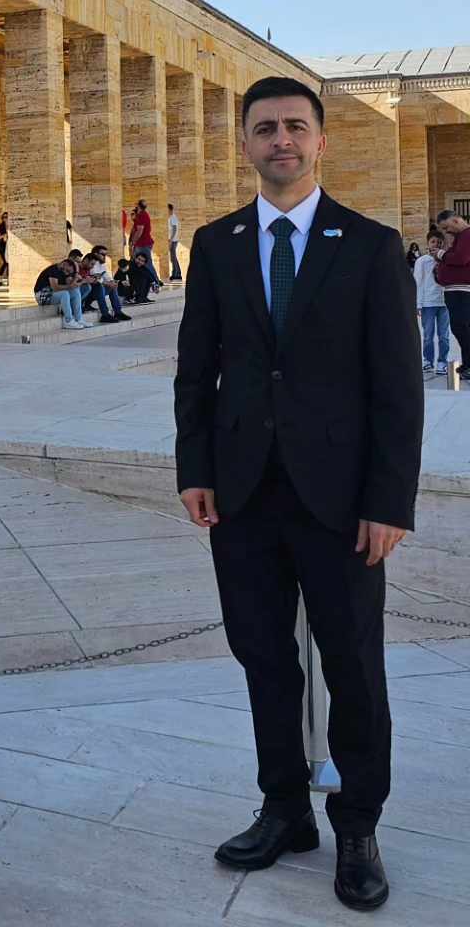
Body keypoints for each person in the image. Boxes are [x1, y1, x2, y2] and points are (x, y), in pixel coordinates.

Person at [175, 76, 422, 913]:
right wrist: (195, 467)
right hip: (243, 494)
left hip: (343, 500)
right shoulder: (217, 244)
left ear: (320, 140)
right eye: (265, 128)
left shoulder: (370, 245)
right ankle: (284, 808)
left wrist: (389, 500)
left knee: (354, 665)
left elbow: (398, 387)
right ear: (245, 143)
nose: (280, 139)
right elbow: (196, 370)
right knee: (263, 656)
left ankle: (358, 824)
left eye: (294, 126)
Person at [433, 208, 470, 377]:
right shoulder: (460, 237)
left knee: (460, 326)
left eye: (446, 227)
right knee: (461, 327)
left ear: (455, 221)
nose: (446, 231)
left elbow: (461, 258)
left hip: (462, 291)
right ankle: (467, 363)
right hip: (454, 290)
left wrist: (441, 254)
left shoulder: (467, 235)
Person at [414, 232, 451, 375]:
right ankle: (428, 361)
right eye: (433, 241)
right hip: (427, 303)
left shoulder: (447, 259)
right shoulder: (422, 261)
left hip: (444, 303)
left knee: (444, 336)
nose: (436, 244)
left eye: (439, 242)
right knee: (428, 335)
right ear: (428, 243)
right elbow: (417, 282)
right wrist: (418, 304)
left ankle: (442, 362)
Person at [34, 257, 88, 329]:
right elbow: (55, 287)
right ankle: (68, 321)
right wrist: (70, 286)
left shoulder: (63, 271)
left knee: (75, 291)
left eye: (69, 272)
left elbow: (72, 284)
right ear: (64, 264)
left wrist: (76, 272)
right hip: (42, 295)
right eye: (68, 271)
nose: (67, 273)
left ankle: (79, 319)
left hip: (53, 293)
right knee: (64, 294)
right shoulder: (53, 270)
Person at [83, 244, 132, 322]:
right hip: (88, 291)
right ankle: (105, 314)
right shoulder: (91, 263)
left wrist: (112, 282)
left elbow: (106, 275)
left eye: (105, 254)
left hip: (97, 291)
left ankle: (118, 312)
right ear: (95, 254)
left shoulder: (102, 264)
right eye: (103, 254)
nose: (105, 256)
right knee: (100, 286)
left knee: (112, 287)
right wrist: (108, 283)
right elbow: (95, 278)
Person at [129, 198, 162, 288]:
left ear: (138, 206)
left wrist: (133, 242)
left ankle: (156, 282)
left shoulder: (142, 215)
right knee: (139, 264)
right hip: (142, 243)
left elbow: (140, 230)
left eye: (136, 204)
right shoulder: (140, 215)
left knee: (147, 264)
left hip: (143, 244)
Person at [168, 202, 182, 280]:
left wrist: (171, 240)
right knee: (173, 257)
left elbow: (174, 229)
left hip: (173, 240)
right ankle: (178, 273)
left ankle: (175, 274)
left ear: (170, 209)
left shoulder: (173, 217)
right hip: (172, 240)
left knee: (173, 258)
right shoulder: (170, 217)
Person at [0, 212, 9, 281]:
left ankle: (5, 276)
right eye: (4, 217)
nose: (5, 219)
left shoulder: (10, 225)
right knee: (6, 261)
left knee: (7, 262)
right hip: (2, 246)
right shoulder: (1, 226)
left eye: (6, 217)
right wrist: (5, 235)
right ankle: (1, 275)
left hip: (8, 245)